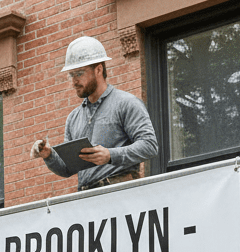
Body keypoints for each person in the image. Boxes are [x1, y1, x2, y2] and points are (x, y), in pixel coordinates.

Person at [30, 36, 157, 191]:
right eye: (72, 75)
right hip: (88, 202)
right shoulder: (73, 118)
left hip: (121, 195)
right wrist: (49, 155)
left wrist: (110, 155)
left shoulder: (126, 103)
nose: (74, 81)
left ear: (98, 70)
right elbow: (67, 168)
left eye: (79, 73)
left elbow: (150, 145)